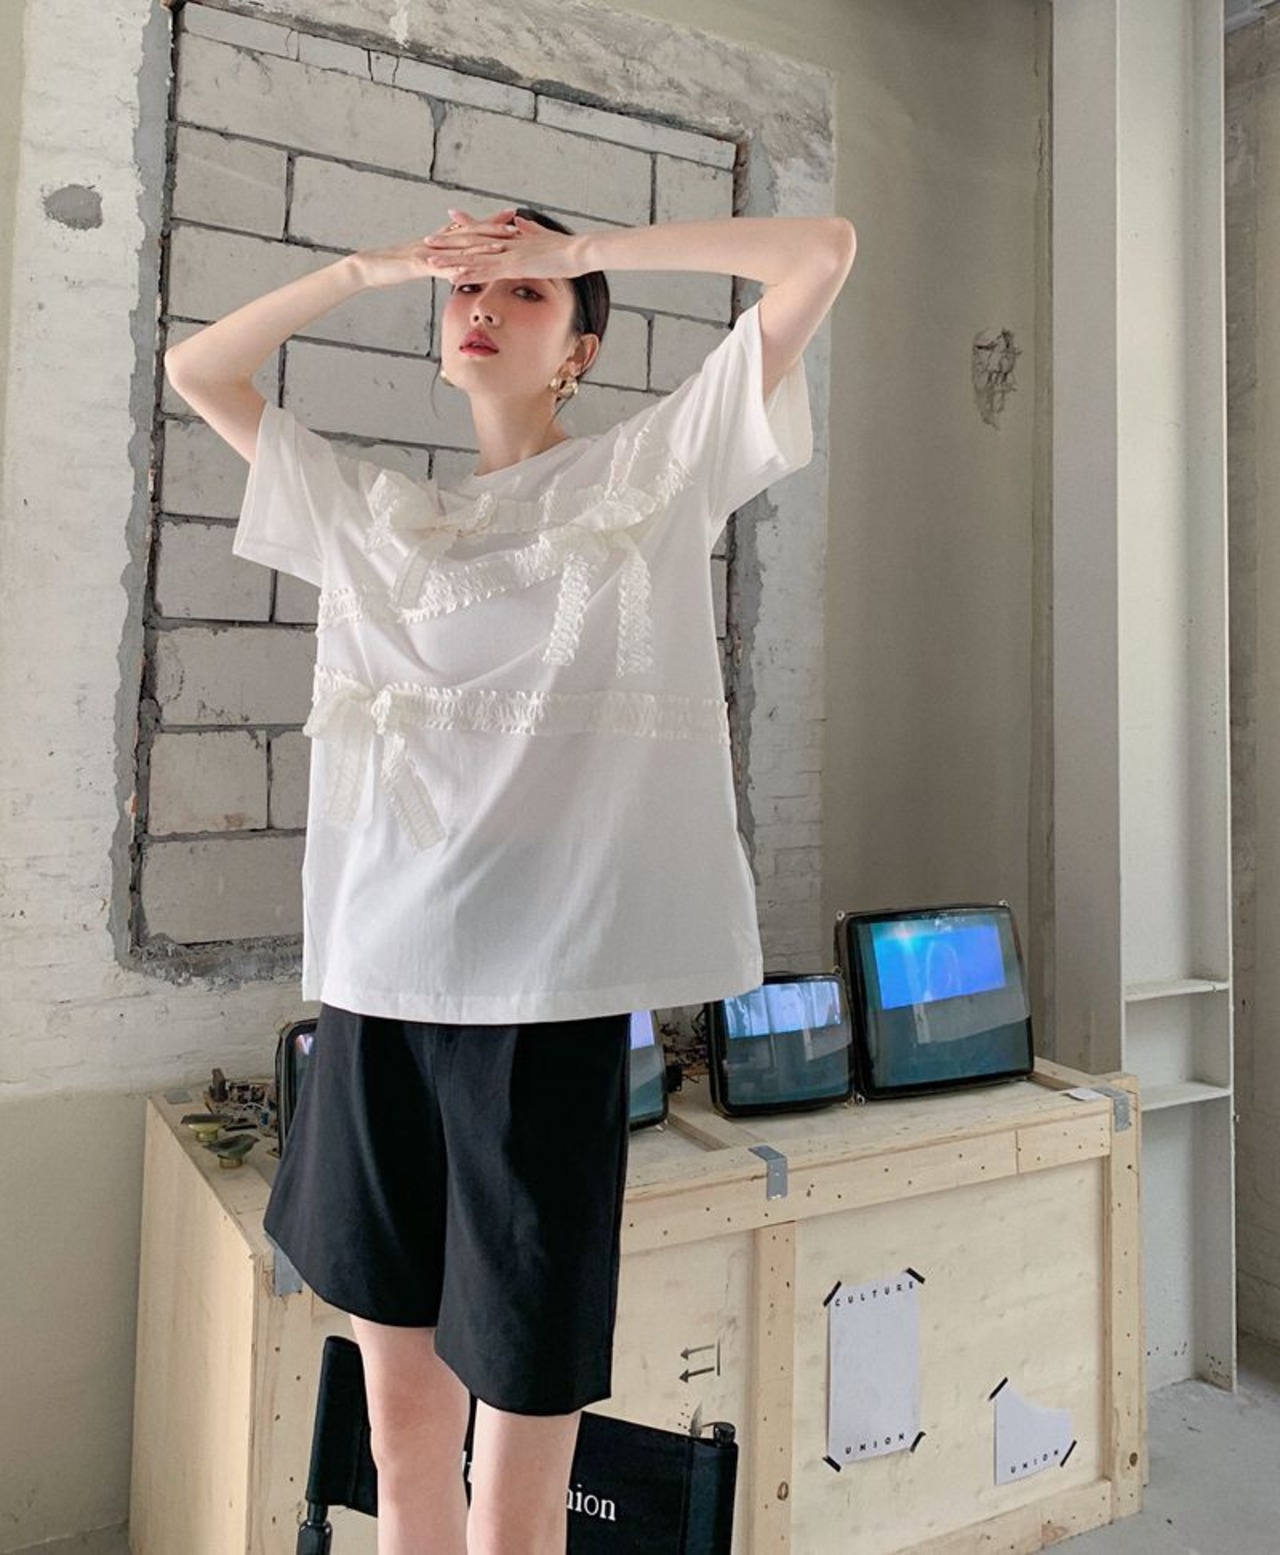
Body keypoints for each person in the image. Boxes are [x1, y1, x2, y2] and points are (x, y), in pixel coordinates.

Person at [165, 201, 855, 1555]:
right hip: (376, 999)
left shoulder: (652, 474)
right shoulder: (378, 516)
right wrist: (368, 266)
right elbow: (202, 369)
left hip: (543, 1016)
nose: (485, 303)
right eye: (468, 291)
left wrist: (580, 250)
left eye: (526, 293)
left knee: (519, 1487)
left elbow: (818, 251)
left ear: (579, 350)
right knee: (400, 1446)